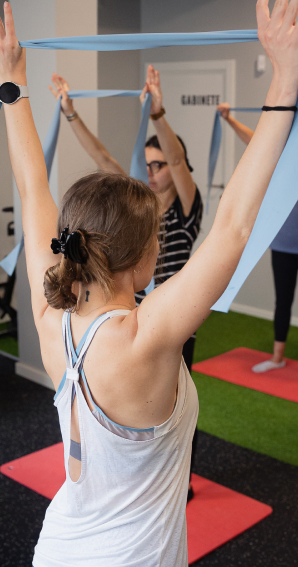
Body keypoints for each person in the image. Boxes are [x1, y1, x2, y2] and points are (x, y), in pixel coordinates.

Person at [0, 0, 298, 567]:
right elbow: (235, 222)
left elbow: (30, 183)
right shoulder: (144, 336)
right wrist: (282, 84)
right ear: (142, 256)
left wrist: (9, 81)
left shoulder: (53, 318)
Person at [49, 66, 204, 500]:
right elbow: (105, 163)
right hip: (133, 313)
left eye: (161, 165)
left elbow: (176, 159)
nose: (154, 172)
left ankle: (180, 475)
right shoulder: (142, 207)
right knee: (137, 401)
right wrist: (72, 115)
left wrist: (158, 114)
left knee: (174, 401)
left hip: (175, 319)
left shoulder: (187, 207)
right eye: (148, 165)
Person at [216, 101, 298, 389]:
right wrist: (229, 119)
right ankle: (277, 356)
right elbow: (255, 140)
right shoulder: (282, 160)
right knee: (282, 301)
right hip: (282, 242)